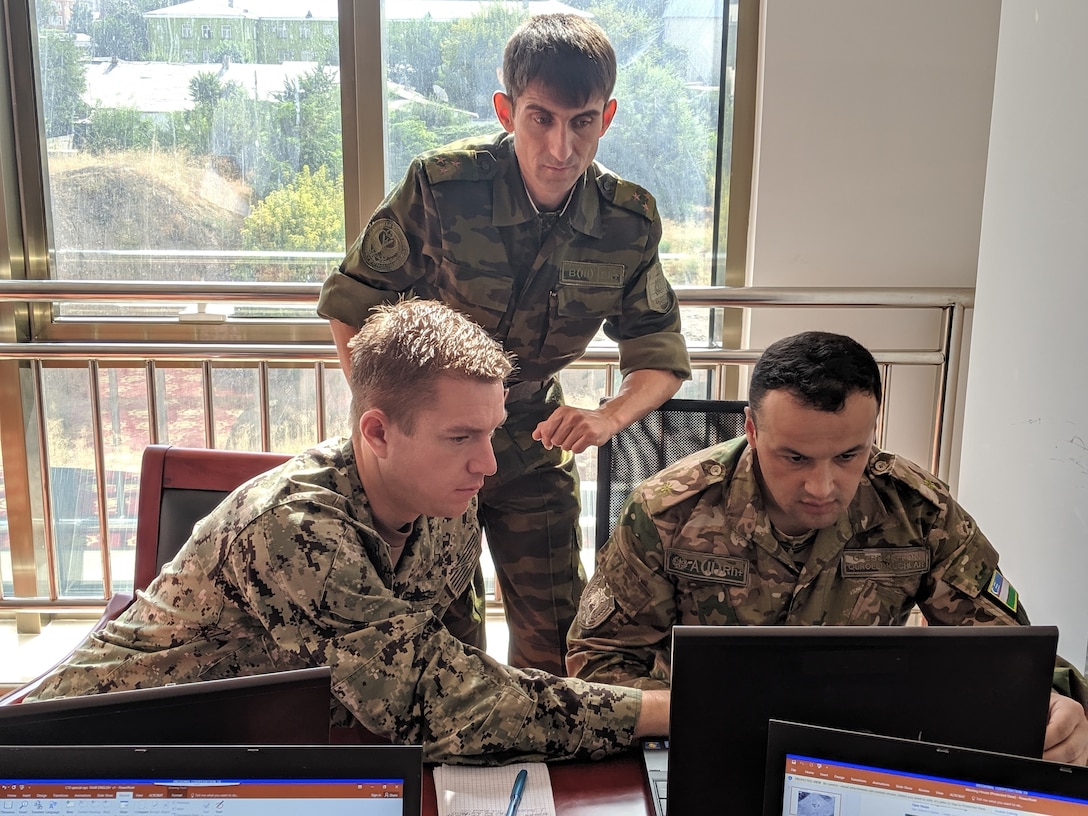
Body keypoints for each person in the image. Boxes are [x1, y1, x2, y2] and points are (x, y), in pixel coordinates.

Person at [26, 299, 669, 764]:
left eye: (492, 430)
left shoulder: (447, 499)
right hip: (84, 763)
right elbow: (433, 698)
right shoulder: (293, 531)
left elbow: (441, 669)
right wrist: (653, 711)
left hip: (262, 755)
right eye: (460, 438)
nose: (489, 463)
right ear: (379, 432)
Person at [316, 13, 691, 675]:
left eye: (582, 122)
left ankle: (546, 771)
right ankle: (458, 776)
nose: (560, 147)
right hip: (429, 441)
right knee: (443, 636)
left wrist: (607, 418)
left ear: (606, 118)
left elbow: (659, 352)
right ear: (507, 110)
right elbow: (351, 300)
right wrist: (392, 423)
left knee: (556, 633)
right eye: (540, 118)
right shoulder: (443, 187)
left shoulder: (624, 222)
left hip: (530, 433)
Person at [566, 330, 1088, 765]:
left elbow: (1004, 652)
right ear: (750, 429)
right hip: (702, 739)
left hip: (860, 749)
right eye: (794, 458)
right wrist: (684, 718)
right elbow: (600, 659)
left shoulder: (918, 512)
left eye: (848, 455)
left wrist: (1050, 701)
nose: (822, 487)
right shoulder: (669, 511)